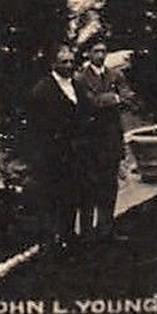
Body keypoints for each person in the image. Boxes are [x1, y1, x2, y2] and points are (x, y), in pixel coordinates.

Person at [73, 39, 131, 241]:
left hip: (111, 140)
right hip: (90, 142)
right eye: (96, 51)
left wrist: (109, 98)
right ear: (88, 54)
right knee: (88, 189)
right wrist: (113, 98)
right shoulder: (80, 78)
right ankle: (87, 233)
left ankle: (106, 229)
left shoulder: (115, 74)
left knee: (109, 187)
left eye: (104, 51)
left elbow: (127, 97)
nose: (101, 55)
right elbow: (91, 102)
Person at [25, 45, 82, 249]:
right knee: (55, 198)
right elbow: (38, 128)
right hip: (54, 156)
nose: (68, 65)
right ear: (53, 64)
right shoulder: (43, 91)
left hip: (74, 154)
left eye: (70, 61)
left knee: (72, 196)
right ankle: (53, 243)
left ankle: (68, 236)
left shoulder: (76, 83)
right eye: (64, 62)